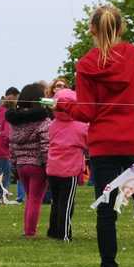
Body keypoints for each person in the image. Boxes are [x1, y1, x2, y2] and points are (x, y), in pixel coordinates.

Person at [70, 4, 134, 267]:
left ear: (92, 29)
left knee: (106, 210)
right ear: (121, 27)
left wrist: (64, 106)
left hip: (104, 145)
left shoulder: (87, 64)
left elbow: (86, 111)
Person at [8, 83, 51, 238]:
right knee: (35, 199)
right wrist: (48, 165)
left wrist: (14, 164)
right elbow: (46, 144)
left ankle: (27, 230)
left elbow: (11, 144)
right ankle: (30, 232)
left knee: (29, 198)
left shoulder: (15, 122)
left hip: (21, 165)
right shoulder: (43, 121)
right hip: (37, 165)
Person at [47, 88, 89, 241]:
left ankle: (53, 231)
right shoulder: (81, 127)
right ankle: (64, 233)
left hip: (52, 169)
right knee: (67, 203)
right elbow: (87, 143)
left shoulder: (52, 124)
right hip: (69, 171)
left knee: (56, 202)